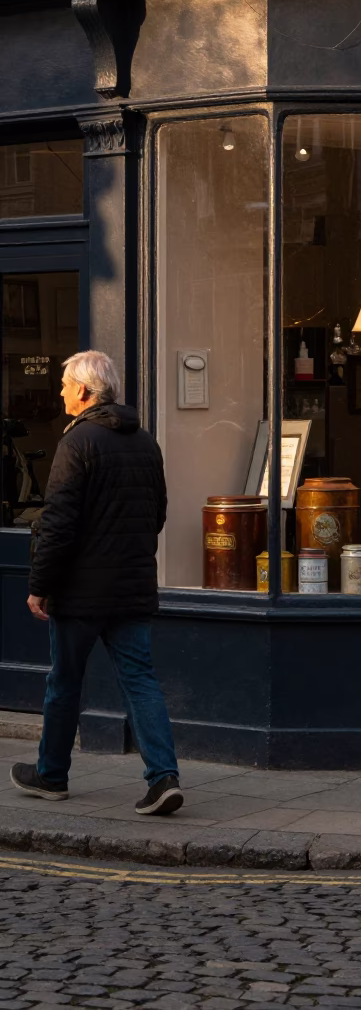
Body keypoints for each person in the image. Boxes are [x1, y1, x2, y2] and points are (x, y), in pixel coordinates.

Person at [9, 350, 183, 816]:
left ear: (84, 391)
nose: (61, 392)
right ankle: (163, 777)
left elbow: (58, 523)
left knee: (64, 682)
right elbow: (157, 514)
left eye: (66, 385)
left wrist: (39, 585)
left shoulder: (77, 442)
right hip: (131, 587)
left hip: (81, 593)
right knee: (141, 682)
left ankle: (51, 775)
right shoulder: (146, 442)